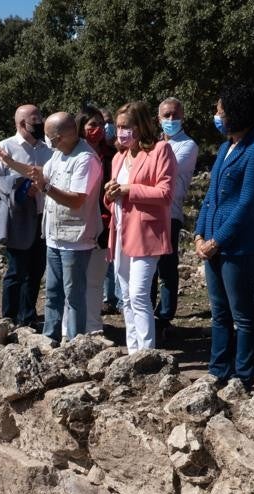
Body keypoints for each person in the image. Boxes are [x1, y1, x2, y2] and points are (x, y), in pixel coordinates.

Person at [0, 112, 103, 344]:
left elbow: (76, 200)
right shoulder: (59, 154)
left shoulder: (85, 159)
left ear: (62, 135)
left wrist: (46, 188)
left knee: (73, 295)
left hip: (76, 239)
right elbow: (39, 172)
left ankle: (75, 343)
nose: (47, 140)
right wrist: (11, 163)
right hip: (54, 236)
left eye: (49, 136)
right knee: (53, 293)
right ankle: (50, 339)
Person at [195, 85, 254, 386]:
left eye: (220, 111)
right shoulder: (226, 147)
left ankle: (243, 375)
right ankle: (218, 370)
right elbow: (210, 197)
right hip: (212, 243)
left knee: (242, 315)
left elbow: (246, 203)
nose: (217, 116)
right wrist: (200, 234)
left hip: (235, 246)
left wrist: (217, 241)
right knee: (219, 313)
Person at [105, 101, 176, 352]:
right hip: (121, 232)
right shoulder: (118, 157)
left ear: (141, 126)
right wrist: (111, 193)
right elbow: (115, 196)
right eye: (118, 126)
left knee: (138, 295)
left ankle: (147, 353)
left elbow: (165, 193)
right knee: (125, 298)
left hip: (147, 233)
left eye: (126, 126)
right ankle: (133, 350)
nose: (121, 131)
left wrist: (127, 189)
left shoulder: (160, 150)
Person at [0, 105, 52, 328]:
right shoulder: (5, 148)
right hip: (17, 219)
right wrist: (17, 187)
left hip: (44, 217)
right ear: (22, 124)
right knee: (16, 271)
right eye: (36, 119)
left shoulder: (48, 149)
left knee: (35, 271)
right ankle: (9, 319)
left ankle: (28, 317)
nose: (40, 123)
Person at [151, 97, 199, 341]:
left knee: (167, 266)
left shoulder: (187, 146)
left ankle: (165, 316)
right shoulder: (154, 143)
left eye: (175, 115)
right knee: (147, 266)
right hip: (148, 211)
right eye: (166, 115)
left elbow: (163, 172)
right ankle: (147, 312)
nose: (171, 119)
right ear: (158, 118)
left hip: (170, 213)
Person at [77, 106, 115, 333]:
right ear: (81, 127)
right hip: (75, 223)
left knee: (95, 279)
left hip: (103, 222)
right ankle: (72, 326)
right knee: (73, 282)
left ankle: (93, 327)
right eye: (92, 125)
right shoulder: (70, 153)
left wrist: (107, 222)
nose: (98, 130)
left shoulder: (111, 155)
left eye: (101, 125)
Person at [100, 107, 121, 315]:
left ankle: (116, 298)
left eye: (108, 122)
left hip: (114, 211)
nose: (106, 127)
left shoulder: (117, 152)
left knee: (114, 257)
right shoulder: (93, 152)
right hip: (97, 209)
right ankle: (107, 298)